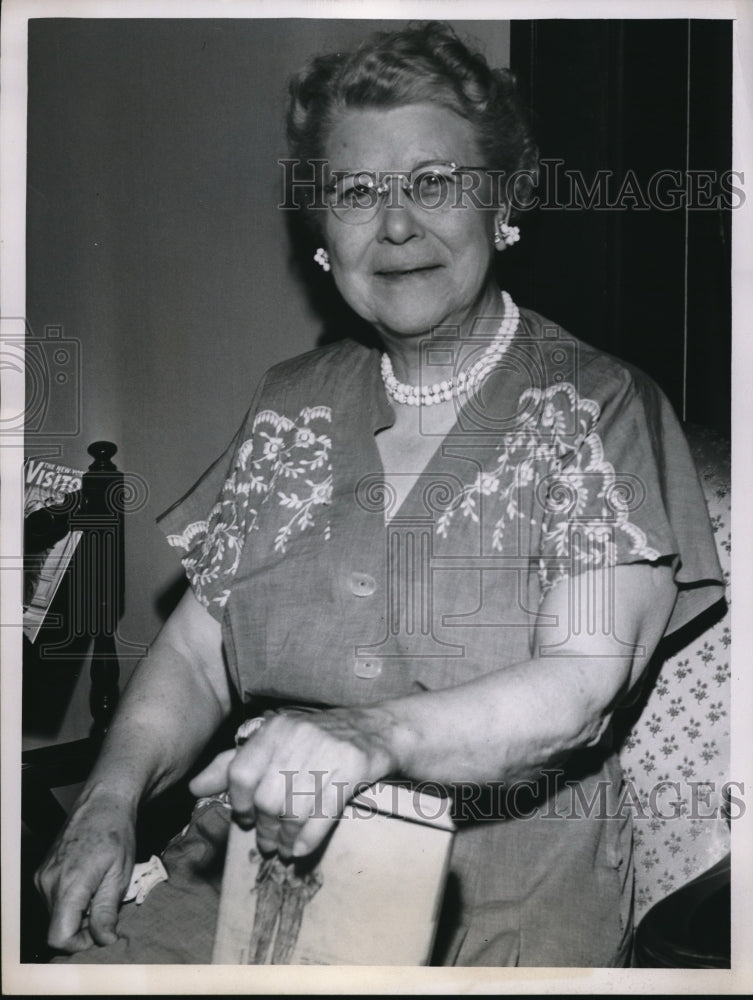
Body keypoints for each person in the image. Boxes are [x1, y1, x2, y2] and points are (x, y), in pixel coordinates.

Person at [35, 21, 723, 967]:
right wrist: (107, 805)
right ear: (322, 231)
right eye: (358, 192)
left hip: (490, 910)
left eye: (433, 184)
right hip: (241, 876)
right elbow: (198, 655)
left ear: (502, 203)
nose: (395, 225)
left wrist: (369, 736)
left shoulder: (599, 408)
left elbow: (581, 685)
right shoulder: (290, 402)